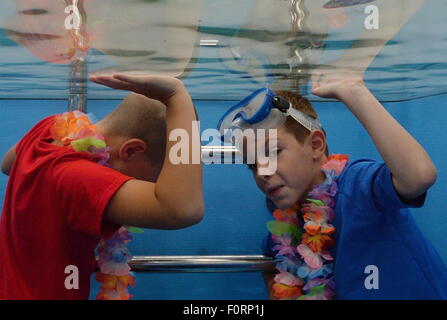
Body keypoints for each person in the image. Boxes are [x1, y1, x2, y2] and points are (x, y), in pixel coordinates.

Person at [217, 74, 447, 299]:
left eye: (273, 152)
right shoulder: (282, 235)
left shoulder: (359, 185)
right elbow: (274, 271)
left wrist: (355, 93)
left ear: (316, 145)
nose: (262, 173)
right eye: (252, 165)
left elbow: (419, 176)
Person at [0, 74, 204, 299]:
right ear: (132, 151)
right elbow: (183, 210)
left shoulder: (50, 129)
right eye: (154, 179)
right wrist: (177, 97)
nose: (151, 186)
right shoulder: (78, 176)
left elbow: (8, 163)